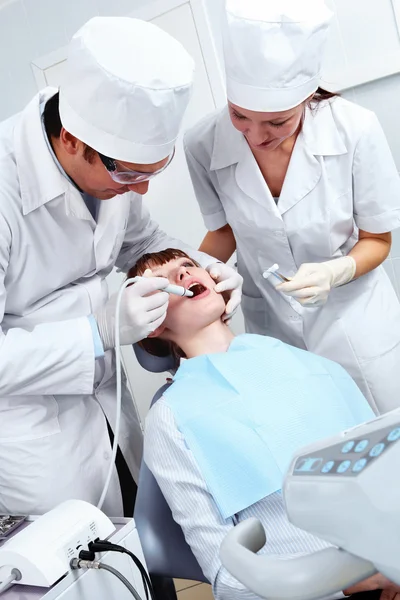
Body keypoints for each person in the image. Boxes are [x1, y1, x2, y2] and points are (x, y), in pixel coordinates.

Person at [0, 16, 242, 517]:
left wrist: (204, 263)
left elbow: (146, 241)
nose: (141, 190)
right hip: (29, 424)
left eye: (154, 171)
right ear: (70, 139)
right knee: (79, 566)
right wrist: (100, 330)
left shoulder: (111, 175)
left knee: (132, 532)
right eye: (129, 173)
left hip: (106, 397)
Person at [126, 248, 398, 600]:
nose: (182, 275)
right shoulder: (172, 417)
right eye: (162, 283)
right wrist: (354, 581)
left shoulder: (304, 361)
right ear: (153, 323)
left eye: (189, 266)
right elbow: (226, 578)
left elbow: (389, 476)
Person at [183, 0, 400, 416]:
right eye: (239, 116)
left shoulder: (355, 128)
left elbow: (377, 239)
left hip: (355, 323)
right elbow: (225, 230)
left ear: (306, 97)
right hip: (273, 325)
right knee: (308, 444)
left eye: (277, 122)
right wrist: (192, 280)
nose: (256, 135)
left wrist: (335, 271)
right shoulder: (202, 144)